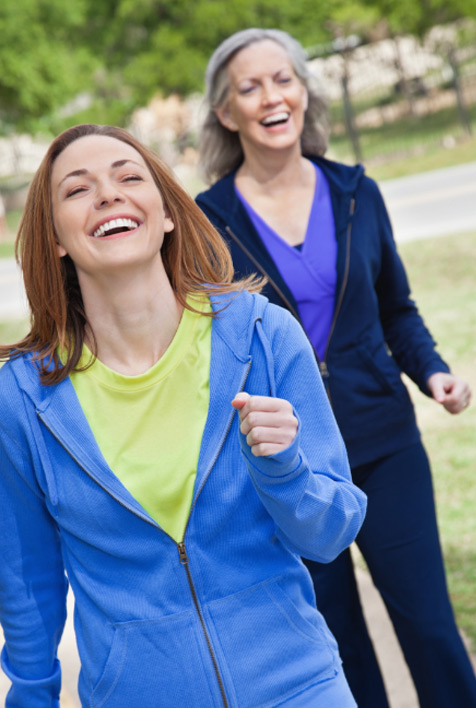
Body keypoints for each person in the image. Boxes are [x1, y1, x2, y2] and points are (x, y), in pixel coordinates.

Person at [0, 123, 367, 708]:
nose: (108, 195)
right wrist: (29, 698)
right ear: (58, 240)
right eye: (77, 190)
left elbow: (331, 533)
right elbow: (27, 582)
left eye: (128, 178)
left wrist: (286, 471)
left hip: (300, 688)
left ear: (167, 213)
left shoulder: (263, 335)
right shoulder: (20, 399)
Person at [195, 27, 476, 708]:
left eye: (283, 78)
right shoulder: (210, 220)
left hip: (385, 442)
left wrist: (431, 371)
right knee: (336, 643)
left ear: (304, 89)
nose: (272, 96)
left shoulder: (356, 191)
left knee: (431, 627)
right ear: (227, 112)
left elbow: (395, 307)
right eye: (250, 86)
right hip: (290, 466)